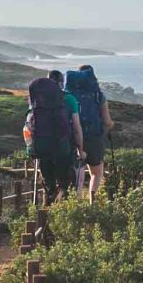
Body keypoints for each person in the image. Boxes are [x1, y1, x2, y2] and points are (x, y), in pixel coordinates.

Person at [25, 72, 81, 206]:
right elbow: (77, 128)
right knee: (64, 183)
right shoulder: (68, 99)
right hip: (62, 146)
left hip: (41, 147)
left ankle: (46, 214)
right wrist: (81, 149)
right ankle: (63, 210)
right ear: (61, 83)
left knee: (48, 182)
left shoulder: (36, 101)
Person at [66, 65, 114, 200]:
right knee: (96, 172)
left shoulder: (68, 95)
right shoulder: (98, 95)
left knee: (78, 172)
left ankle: (77, 201)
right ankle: (92, 202)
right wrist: (110, 126)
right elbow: (107, 120)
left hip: (73, 138)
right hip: (94, 137)